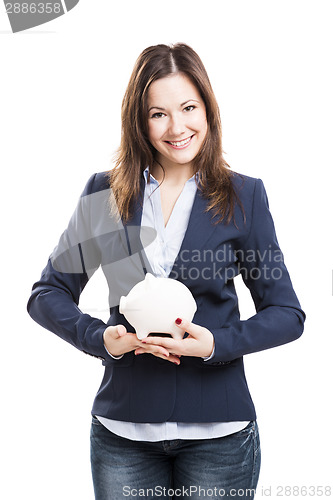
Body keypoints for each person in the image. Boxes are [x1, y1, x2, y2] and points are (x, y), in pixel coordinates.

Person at [27, 43, 305, 499]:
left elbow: (287, 313)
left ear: (208, 110)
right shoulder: (105, 193)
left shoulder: (243, 197)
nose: (177, 128)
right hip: (124, 436)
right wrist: (100, 339)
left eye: (189, 108)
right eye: (158, 113)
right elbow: (46, 293)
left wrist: (217, 343)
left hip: (220, 434)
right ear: (139, 120)